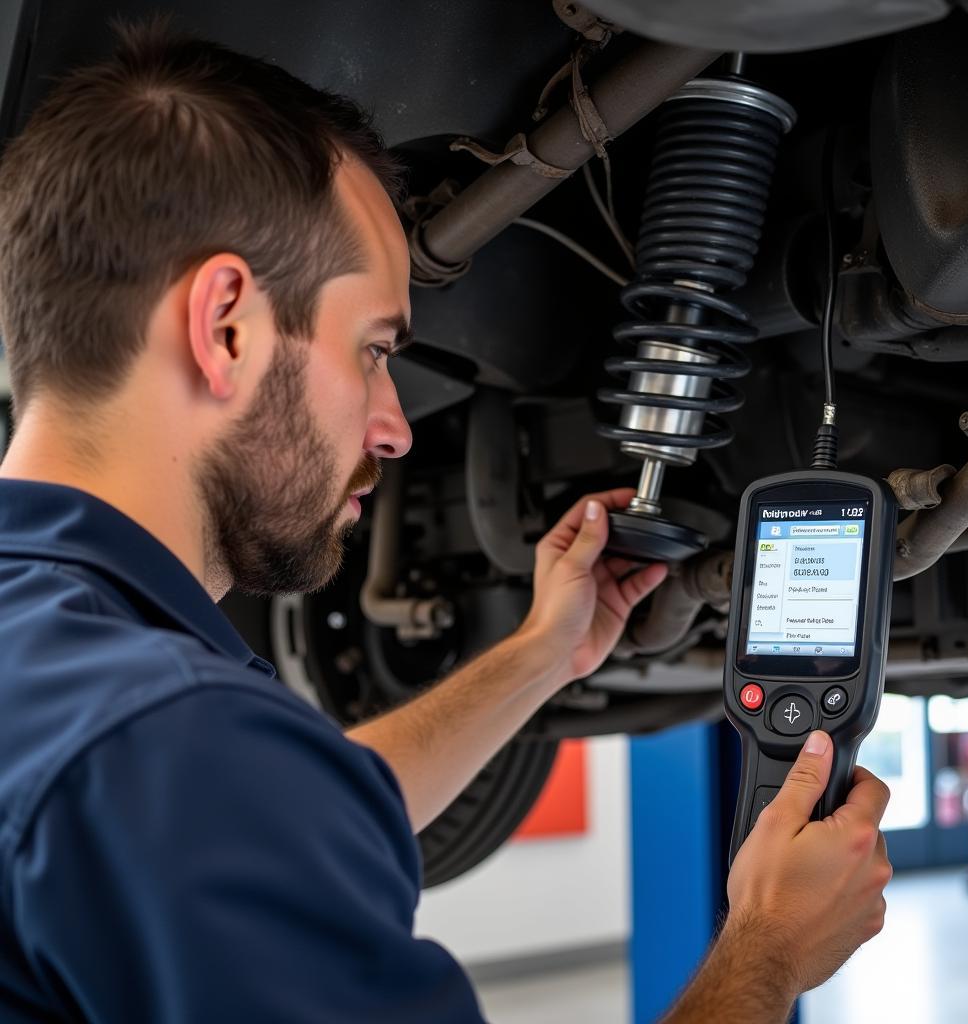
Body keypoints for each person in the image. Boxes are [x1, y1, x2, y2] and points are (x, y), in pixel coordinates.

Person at [0, 21, 892, 1024]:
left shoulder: (64, 675)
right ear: (226, 328)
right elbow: (228, 797)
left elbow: (297, 811)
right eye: (374, 348)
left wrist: (541, 656)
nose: (392, 428)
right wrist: (766, 949)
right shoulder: (163, 749)